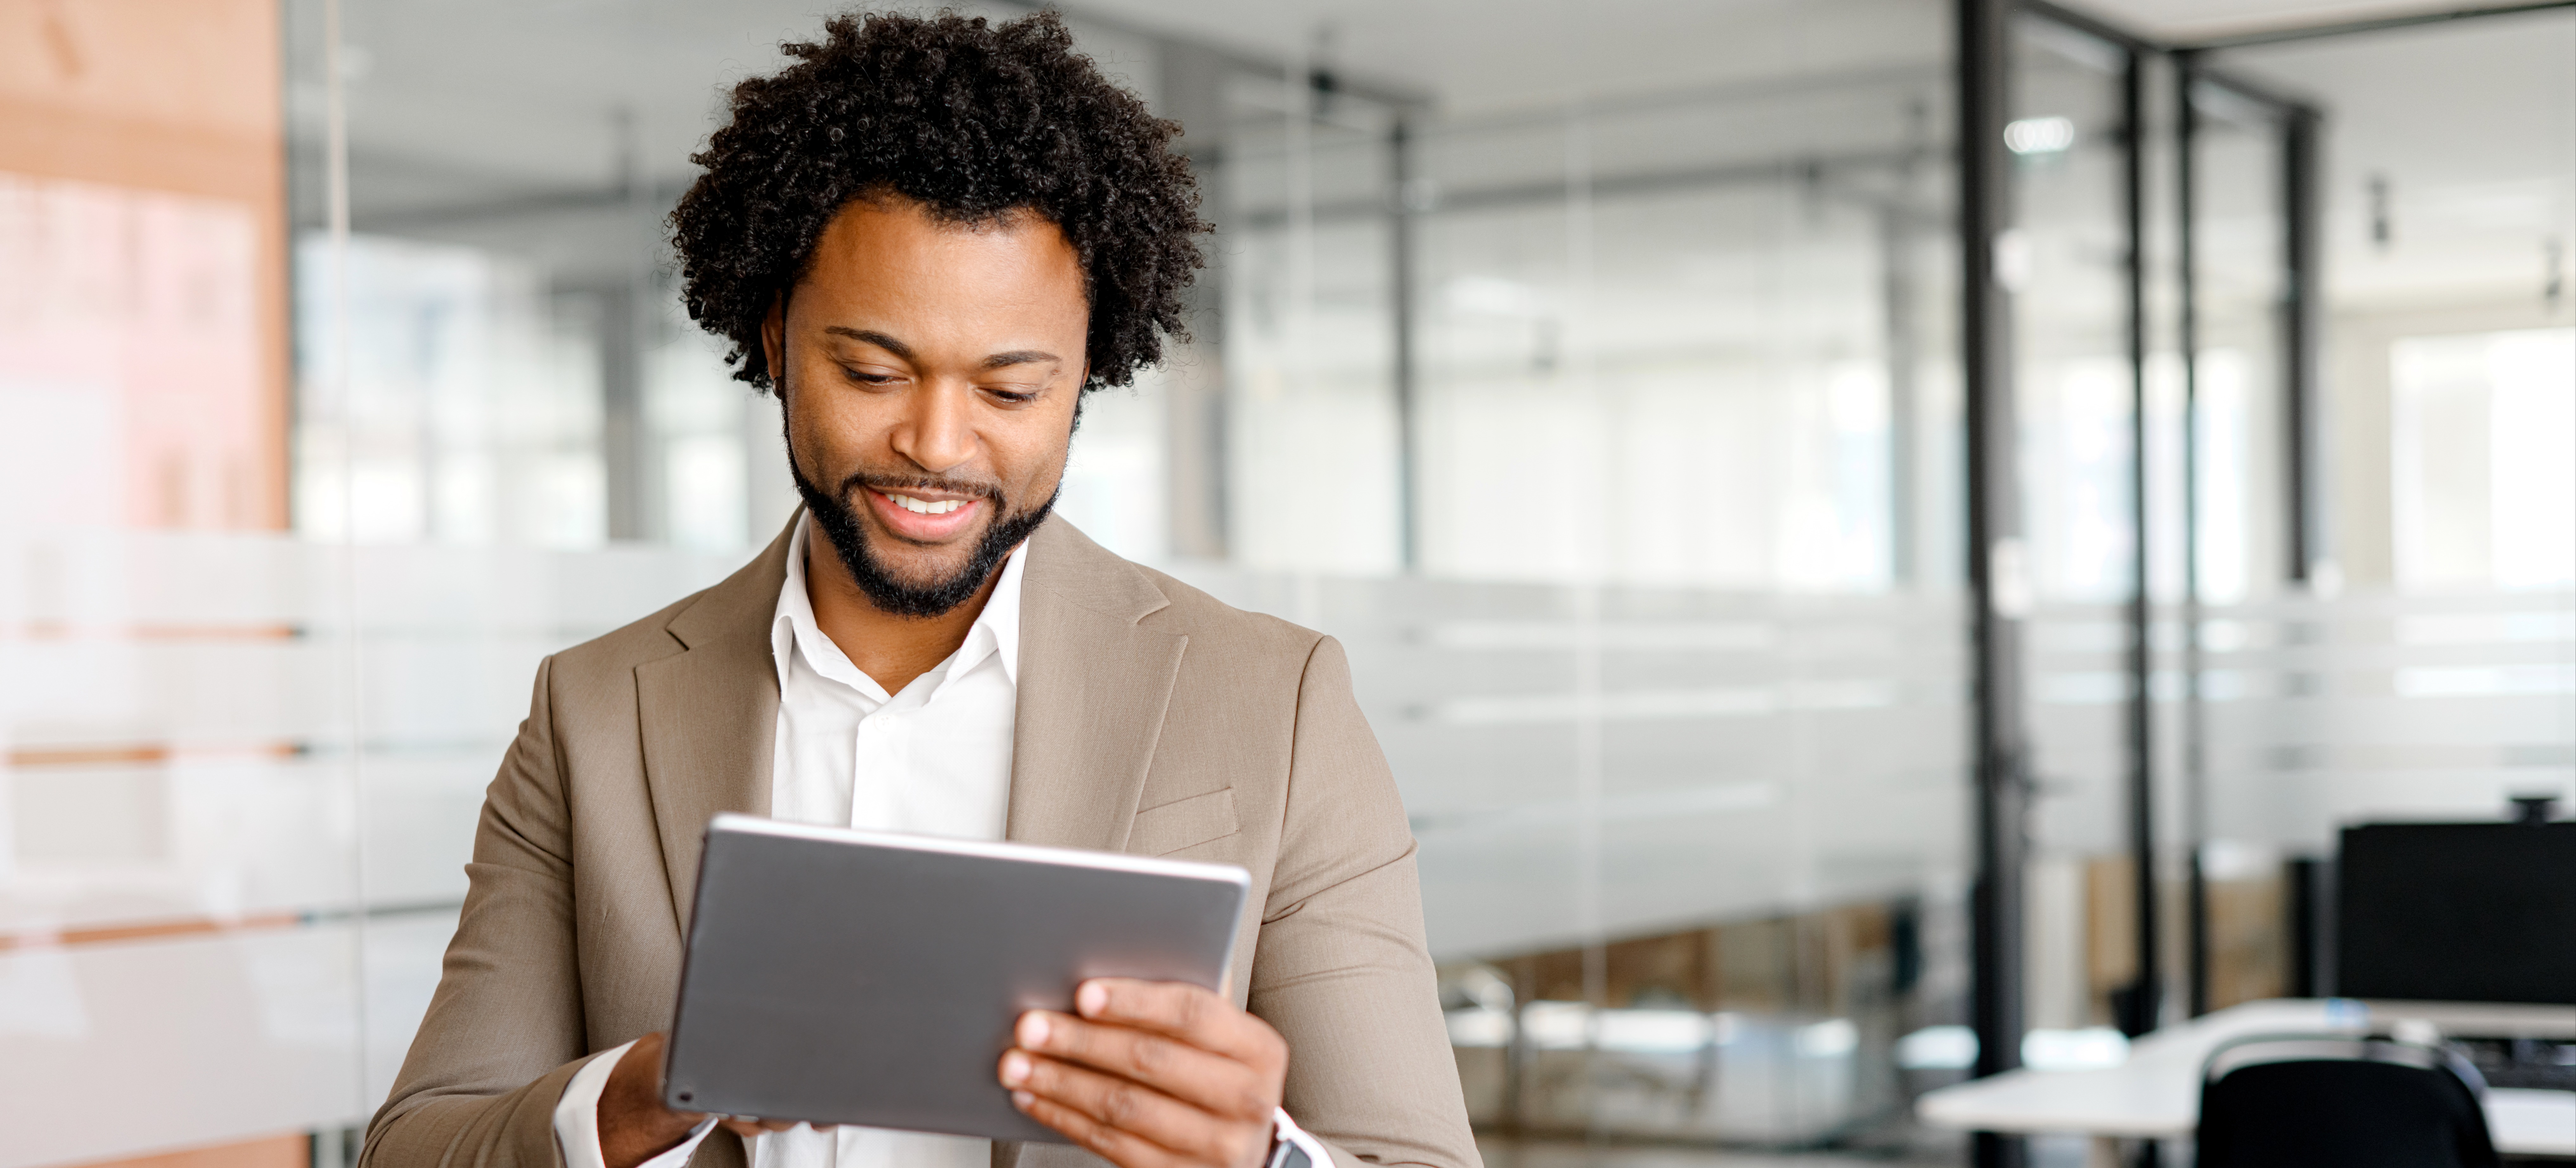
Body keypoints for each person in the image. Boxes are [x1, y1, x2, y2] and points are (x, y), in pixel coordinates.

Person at [358, 12, 1476, 1168]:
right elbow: (414, 1150)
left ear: (1087, 372)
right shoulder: (594, 712)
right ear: (775, 339)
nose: (937, 445)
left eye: (1010, 390)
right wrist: (650, 1089)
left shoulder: (1276, 705)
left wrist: (1264, 1159)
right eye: (871, 372)